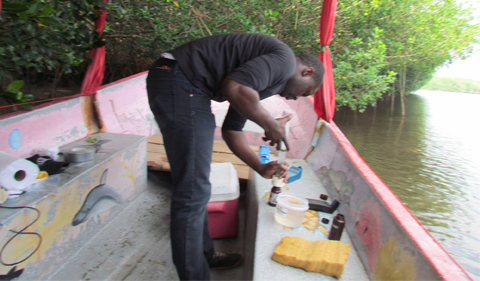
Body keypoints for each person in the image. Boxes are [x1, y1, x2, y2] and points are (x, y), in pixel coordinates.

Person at [146, 32, 324, 280]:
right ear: (308, 72)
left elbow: (232, 129)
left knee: (197, 185)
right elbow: (234, 86)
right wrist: (269, 123)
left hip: (184, 84)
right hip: (178, 77)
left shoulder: (267, 82)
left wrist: (260, 167)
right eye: (305, 93)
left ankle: (205, 256)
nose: (296, 98)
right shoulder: (284, 61)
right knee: (192, 190)